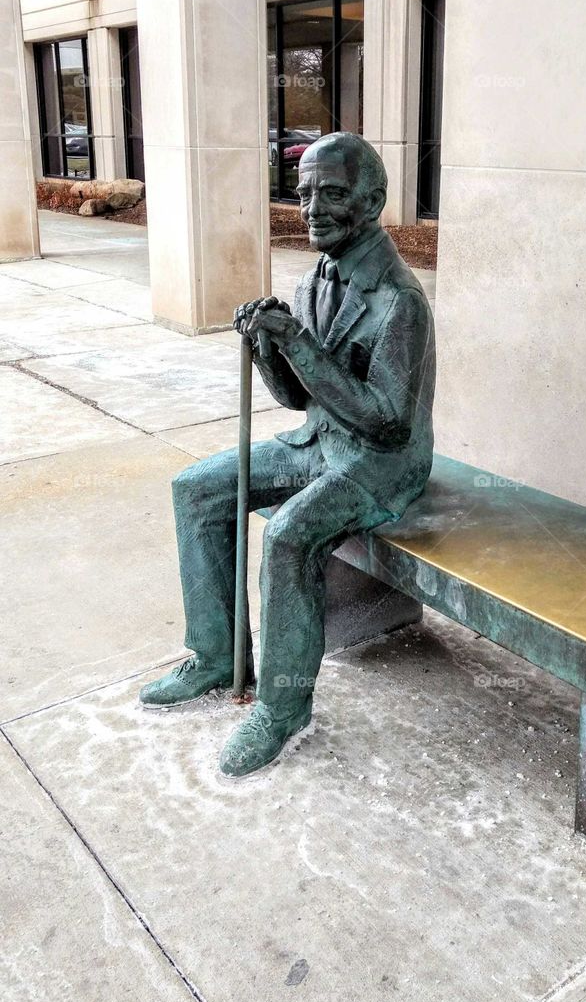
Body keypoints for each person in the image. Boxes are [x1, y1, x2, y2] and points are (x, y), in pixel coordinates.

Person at [140, 133, 436, 777]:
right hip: (320, 442)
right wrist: (268, 345)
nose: (313, 209)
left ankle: (282, 706)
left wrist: (297, 342)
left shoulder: (399, 302)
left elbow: (387, 423)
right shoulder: (314, 279)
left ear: (374, 200)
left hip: (378, 466)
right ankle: (218, 658)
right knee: (197, 489)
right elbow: (295, 400)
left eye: (333, 194)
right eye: (304, 194)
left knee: (288, 535)